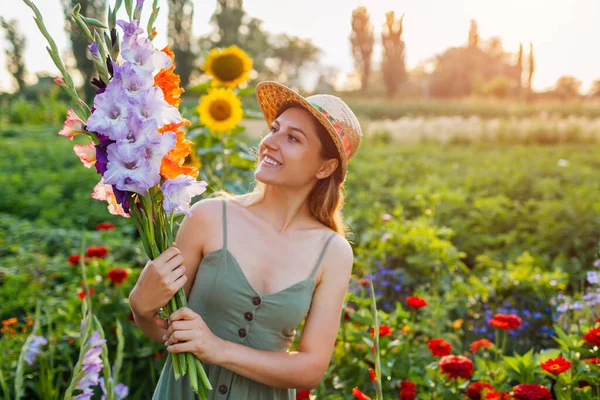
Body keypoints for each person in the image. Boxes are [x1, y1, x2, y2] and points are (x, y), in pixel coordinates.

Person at [129, 81, 363, 399]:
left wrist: (217, 349)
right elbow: (168, 330)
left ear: (325, 167)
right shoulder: (208, 217)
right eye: (275, 129)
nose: (270, 142)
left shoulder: (332, 252)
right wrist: (141, 310)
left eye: (293, 138)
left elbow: (311, 369)